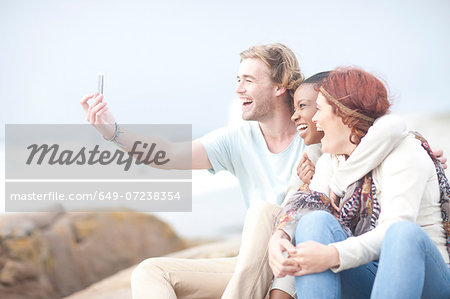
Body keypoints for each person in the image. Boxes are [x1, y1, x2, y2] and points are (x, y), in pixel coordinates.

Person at [270, 67, 450, 298]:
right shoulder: (331, 161)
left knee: (403, 233)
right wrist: (280, 236)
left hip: (428, 280)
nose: (314, 119)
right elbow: (307, 205)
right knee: (314, 221)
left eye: (320, 110)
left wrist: (333, 255)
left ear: (344, 114)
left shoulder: (405, 152)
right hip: (373, 274)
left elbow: (391, 232)